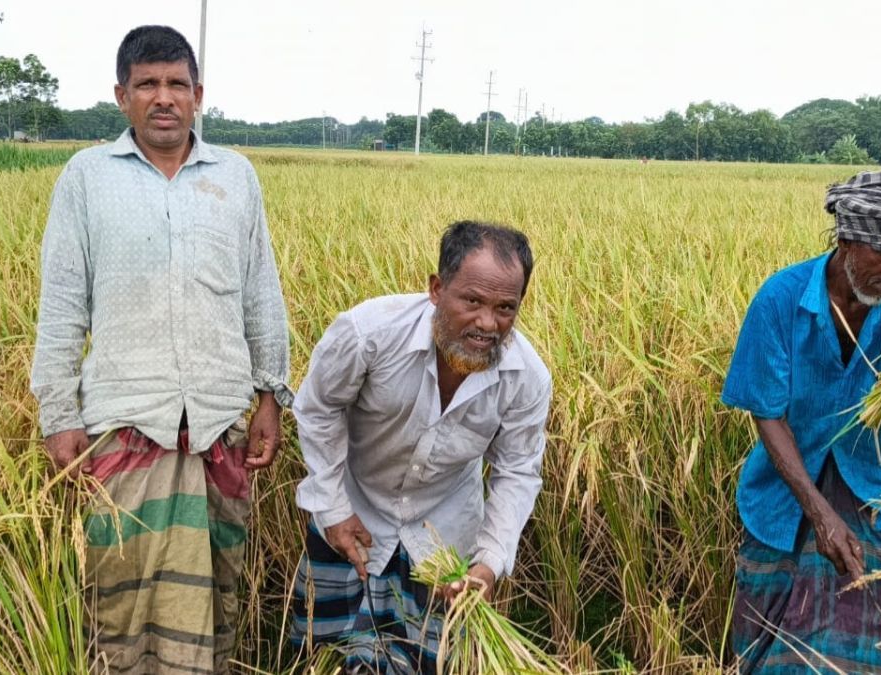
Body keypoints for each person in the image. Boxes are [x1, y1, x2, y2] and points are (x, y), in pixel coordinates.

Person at [29, 25, 291, 674]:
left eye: (177, 83)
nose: (164, 97)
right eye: (147, 84)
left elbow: (260, 291)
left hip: (218, 421)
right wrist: (59, 416)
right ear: (122, 96)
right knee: (119, 599)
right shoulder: (88, 177)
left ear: (198, 94)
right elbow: (62, 303)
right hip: (126, 422)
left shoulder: (235, 176)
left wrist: (269, 396)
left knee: (216, 592)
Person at [721, 169, 881, 672]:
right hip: (788, 500)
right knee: (772, 655)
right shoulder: (780, 300)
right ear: (848, 241)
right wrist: (821, 516)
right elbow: (768, 416)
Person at [290, 220, 552, 674]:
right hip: (354, 517)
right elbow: (318, 408)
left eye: (506, 308)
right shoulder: (368, 334)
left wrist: (488, 563)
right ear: (437, 288)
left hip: (443, 538)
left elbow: (518, 472)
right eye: (472, 301)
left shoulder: (526, 378)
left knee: (428, 662)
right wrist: (332, 508)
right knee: (326, 655)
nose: (488, 323)